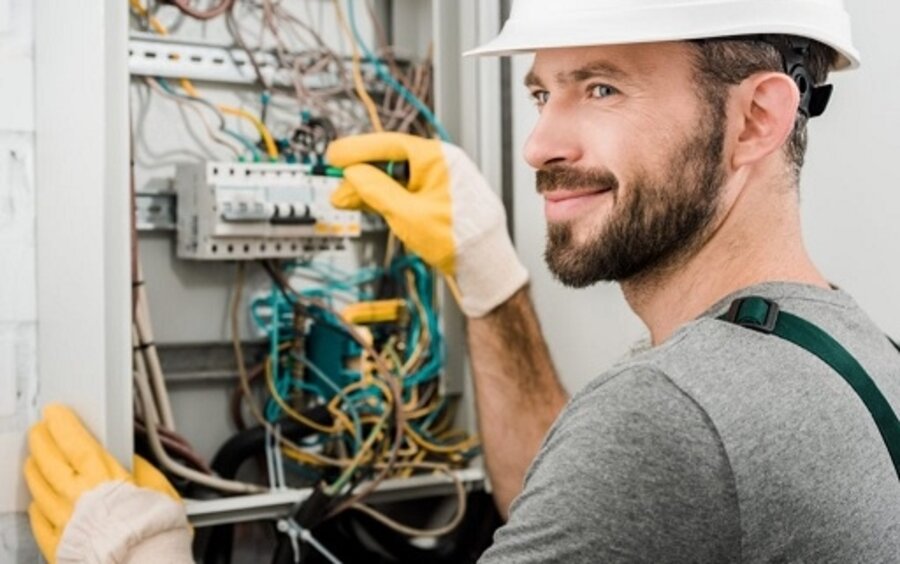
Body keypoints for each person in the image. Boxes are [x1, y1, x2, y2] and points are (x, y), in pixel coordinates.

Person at [24, 0, 900, 561]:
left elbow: (629, 466)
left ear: (755, 119)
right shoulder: (844, 350)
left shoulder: (671, 418)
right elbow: (552, 507)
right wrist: (490, 280)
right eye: (541, 92)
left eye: (600, 89)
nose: (539, 144)